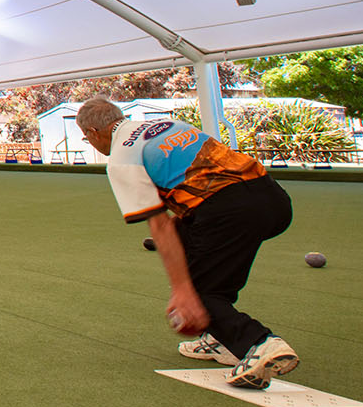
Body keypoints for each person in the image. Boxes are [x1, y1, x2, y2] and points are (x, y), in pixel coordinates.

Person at [75, 95, 298, 389]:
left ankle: (258, 344)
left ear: (92, 133)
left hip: (228, 212)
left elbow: (160, 225)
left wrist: (182, 291)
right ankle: (219, 338)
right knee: (196, 248)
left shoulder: (121, 159)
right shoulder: (168, 124)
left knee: (199, 292)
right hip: (273, 199)